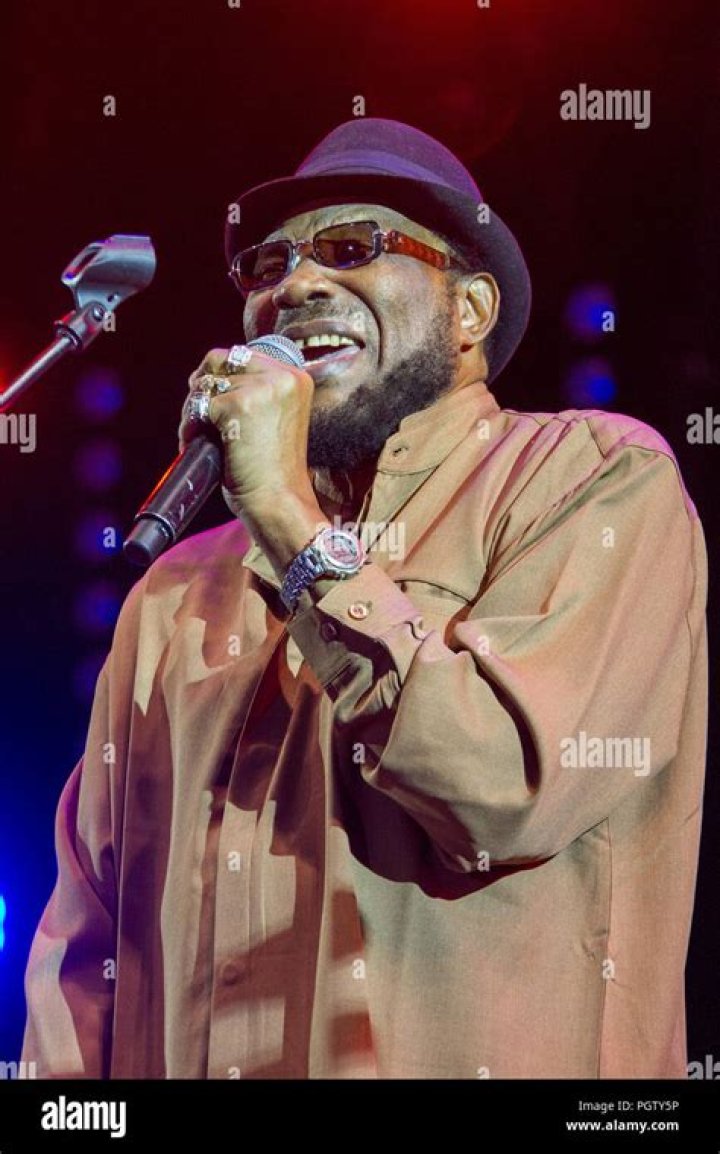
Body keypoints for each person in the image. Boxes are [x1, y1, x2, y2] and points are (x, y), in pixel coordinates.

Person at [22, 118, 707, 1079]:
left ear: (469, 309)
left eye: (351, 248)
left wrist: (290, 524)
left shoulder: (590, 480)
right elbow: (90, 938)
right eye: (266, 266)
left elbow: (505, 790)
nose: (295, 284)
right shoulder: (175, 594)